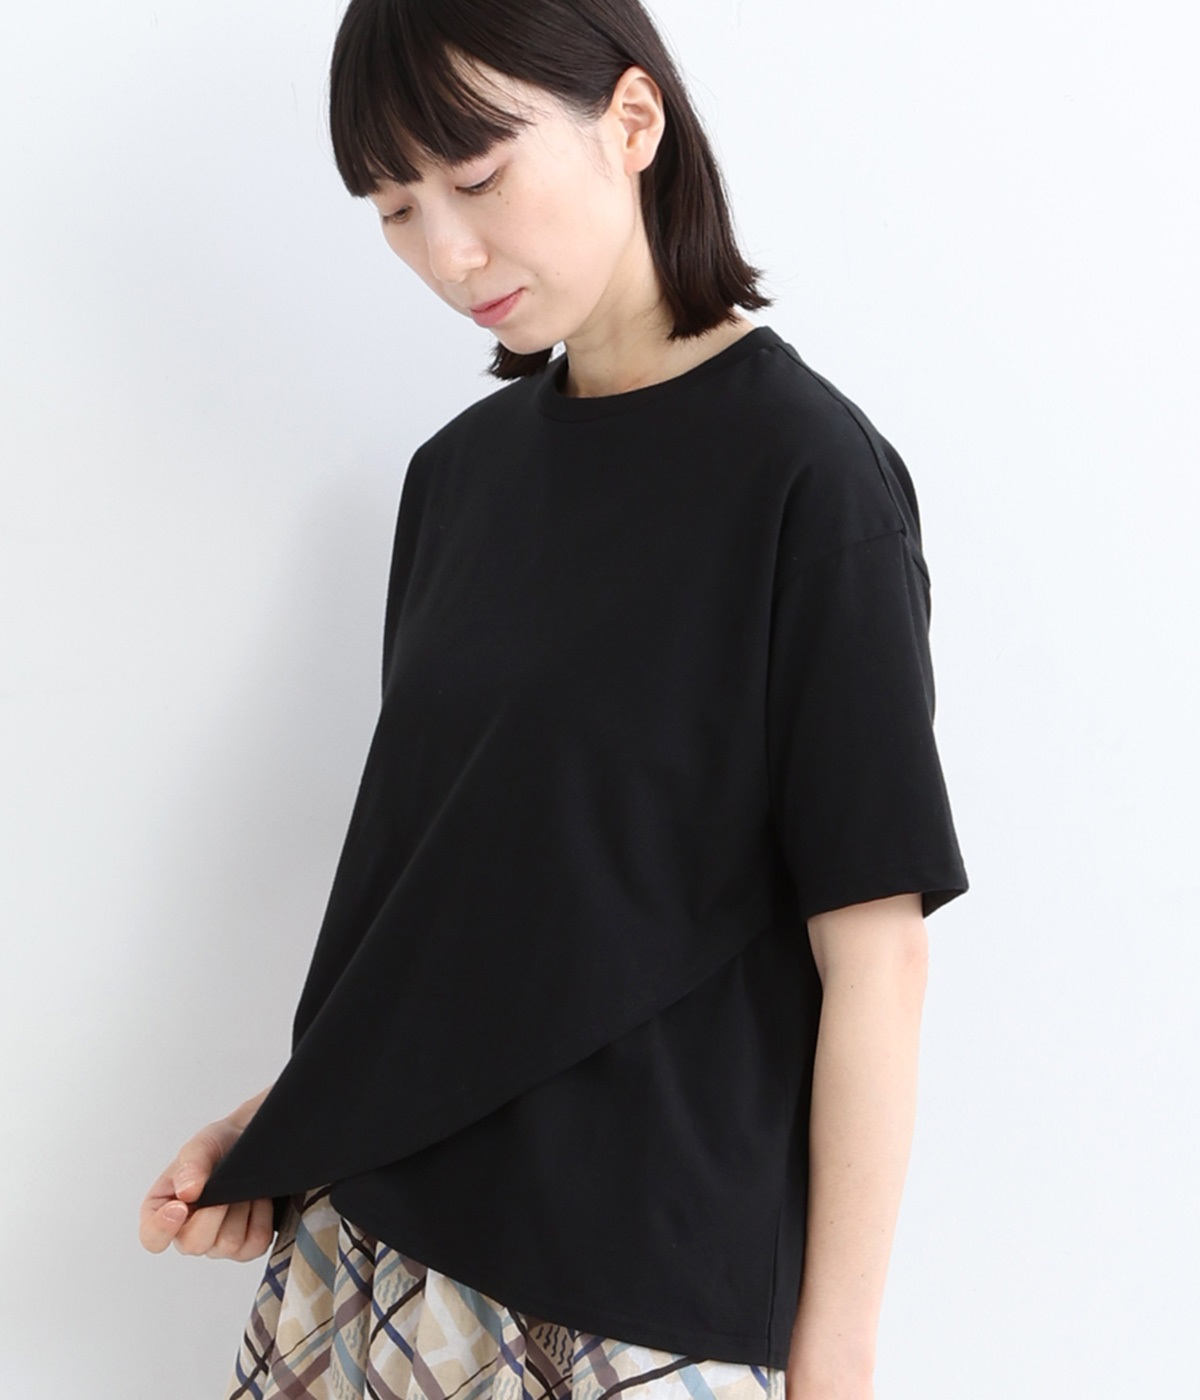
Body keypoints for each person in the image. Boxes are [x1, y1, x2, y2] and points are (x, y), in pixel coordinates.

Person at [138, 2, 969, 1398]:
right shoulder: (456, 482)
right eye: (395, 209)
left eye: (477, 177)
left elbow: (875, 958)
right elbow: (457, 907)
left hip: (635, 1308)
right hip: (368, 1257)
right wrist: (281, 1128)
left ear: (632, 122)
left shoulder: (809, 483)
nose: (446, 253)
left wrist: (835, 1361)